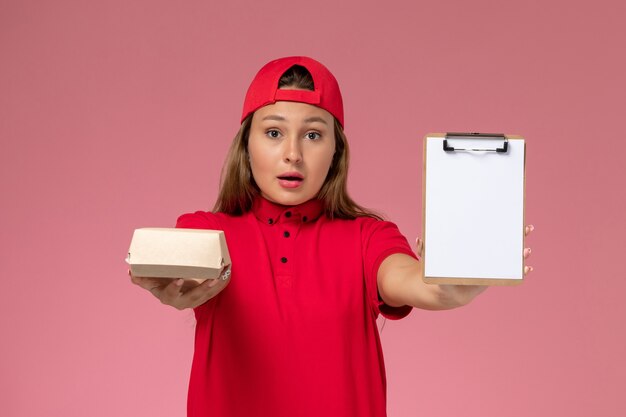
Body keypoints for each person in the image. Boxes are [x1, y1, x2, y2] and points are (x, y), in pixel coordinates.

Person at [130, 56, 534, 417]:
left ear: (336, 151)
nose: (293, 153)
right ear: (246, 146)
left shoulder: (368, 238)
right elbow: (173, 270)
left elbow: (416, 282)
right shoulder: (207, 232)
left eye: (313, 134)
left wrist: (454, 284)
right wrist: (164, 284)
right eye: (273, 133)